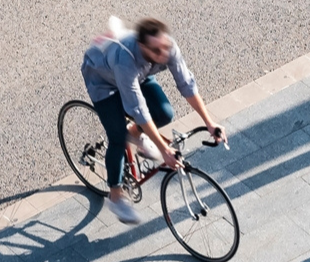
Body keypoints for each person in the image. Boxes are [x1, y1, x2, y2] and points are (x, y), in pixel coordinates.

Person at [80, 17, 226, 224]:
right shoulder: (126, 59)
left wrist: (210, 122)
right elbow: (138, 109)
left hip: (140, 75)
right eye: (156, 51)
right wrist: (165, 150)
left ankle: (136, 134)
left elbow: (186, 85)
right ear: (142, 47)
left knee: (164, 113)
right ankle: (115, 197)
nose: (163, 54)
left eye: (165, 47)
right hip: (103, 81)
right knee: (117, 137)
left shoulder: (165, 49)